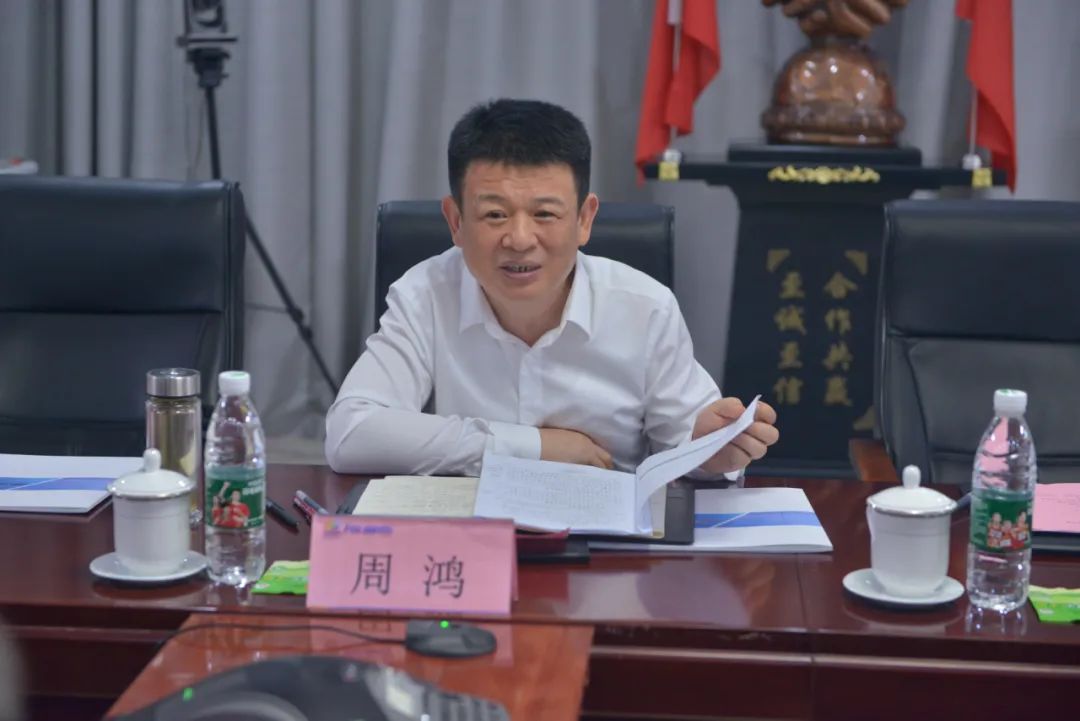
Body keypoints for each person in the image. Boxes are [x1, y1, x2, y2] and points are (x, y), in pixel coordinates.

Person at [326, 98, 778, 477]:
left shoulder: (645, 308)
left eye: (545, 214)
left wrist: (710, 452)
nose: (520, 239)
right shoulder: (425, 294)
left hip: (604, 547)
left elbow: (690, 443)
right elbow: (351, 432)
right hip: (472, 539)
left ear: (584, 219)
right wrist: (534, 447)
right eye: (495, 215)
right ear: (456, 220)